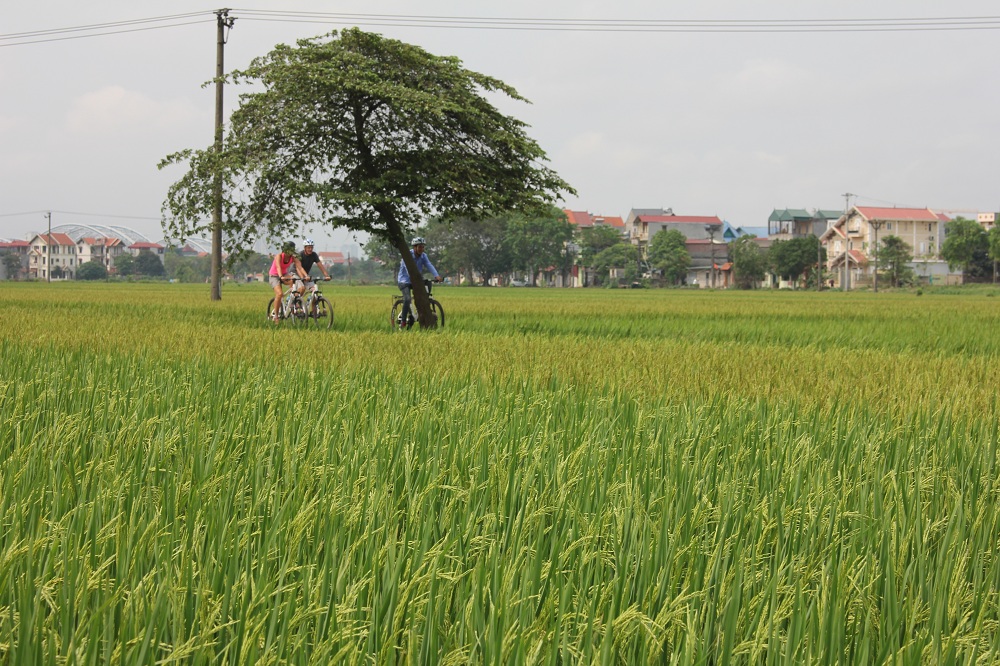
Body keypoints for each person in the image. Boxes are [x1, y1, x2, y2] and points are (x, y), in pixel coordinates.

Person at [397, 236, 441, 327]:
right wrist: (414, 278)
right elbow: (407, 268)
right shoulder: (408, 255)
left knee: (427, 284)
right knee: (408, 299)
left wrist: (436, 275)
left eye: (423, 247)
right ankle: (403, 321)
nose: (422, 249)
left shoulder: (424, 256)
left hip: (416, 280)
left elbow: (429, 265)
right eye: (420, 247)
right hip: (404, 281)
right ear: (415, 247)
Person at [269, 240, 307, 322]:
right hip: (274, 276)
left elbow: (299, 267)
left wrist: (305, 276)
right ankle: (276, 316)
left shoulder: (293, 257)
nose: (289, 252)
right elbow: (278, 267)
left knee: (297, 283)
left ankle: (291, 300)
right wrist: (280, 276)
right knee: (279, 294)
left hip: (284, 274)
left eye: (291, 250)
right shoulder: (279, 256)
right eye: (288, 250)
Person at [296, 238, 331, 313]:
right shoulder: (300, 254)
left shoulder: (314, 255)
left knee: (315, 290)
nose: (310, 249)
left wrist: (326, 275)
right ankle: (297, 302)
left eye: (311, 247)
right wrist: (303, 277)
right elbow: (299, 268)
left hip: (306, 275)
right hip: (296, 273)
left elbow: (320, 265)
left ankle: (314, 310)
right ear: (305, 248)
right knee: (302, 288)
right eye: (308, 247)